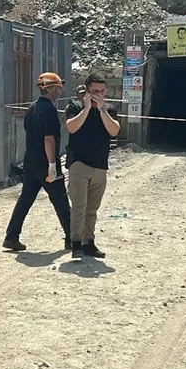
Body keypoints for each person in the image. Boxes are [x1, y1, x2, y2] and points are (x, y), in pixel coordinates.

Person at [4, 72, 72, 252]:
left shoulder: (32, 108)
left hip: (31, 161)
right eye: (58, 87)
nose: (60, 90)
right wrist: (51, 166)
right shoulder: (49, 109)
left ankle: (11, 236)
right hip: (45, 162)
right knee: (60, 199)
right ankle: (72, 238)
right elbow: (49, 139)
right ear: (51, 88)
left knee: (25, 199)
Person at [65, 74, 120, 259]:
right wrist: (87, 108)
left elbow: (113, 130)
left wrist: (102, 109)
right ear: (87, 90)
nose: (99, 94)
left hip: (100, 165)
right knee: (79, 205)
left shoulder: (109, 109)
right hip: (79, 163)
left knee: (92, 208)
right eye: (95, 91)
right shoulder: (75, 106)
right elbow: (71, 127)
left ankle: (89, 242)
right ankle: (76, 243)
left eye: (102, 91)